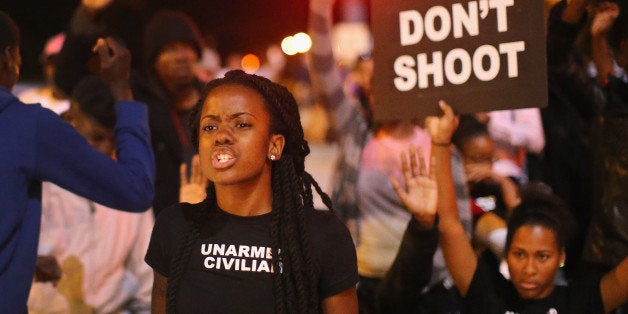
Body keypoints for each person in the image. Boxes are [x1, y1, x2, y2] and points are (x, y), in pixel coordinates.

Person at [145, 70, 359, 313]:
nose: (221, 136)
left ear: (274, 145)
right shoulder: (175, 226)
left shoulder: (322, 236)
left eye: (242, 124)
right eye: (210, 127)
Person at [308, 0, 471, 312]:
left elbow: (459, 226)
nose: (379, 89)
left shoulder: (441, 145)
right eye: (374, 84)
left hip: (426, 288)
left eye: (392, 82)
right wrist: (319, 11)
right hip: (363, 284)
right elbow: (324, 72)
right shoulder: (357, 135)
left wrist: (440, 275)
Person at [0, 11, 154, 313]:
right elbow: (137, 188)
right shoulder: (26, 126)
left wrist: (22, 260)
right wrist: (122, 89)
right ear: (9, 56)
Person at [423, 101, 628, 313]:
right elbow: (449, 225)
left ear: (561, 257)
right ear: (507, 253)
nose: (529, 269)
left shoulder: (578, 304)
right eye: (519, 254)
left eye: (542, 256)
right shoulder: (489, 296)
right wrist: (440, 141)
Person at [27, 75, 154, 314]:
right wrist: (28, 263)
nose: (104, 149)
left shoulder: (130, 193)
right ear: (69, 119)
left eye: (113, 142)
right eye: (95, 137)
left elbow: (147, 280)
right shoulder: (34, 181)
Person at [134, 9, 205, 216]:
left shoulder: (216, 102)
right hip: (160, 224)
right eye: (171, 49)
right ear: (153, 60)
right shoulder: (141, 109)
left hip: (214, 223)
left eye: (187, 47)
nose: (182, 56)